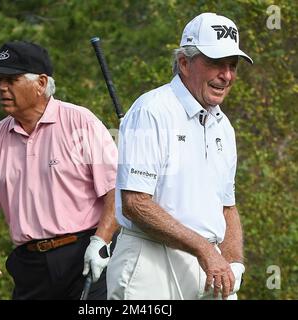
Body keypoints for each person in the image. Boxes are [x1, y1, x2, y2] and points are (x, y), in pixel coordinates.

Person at [107, 12, 253, 300]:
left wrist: (234, 263)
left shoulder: (224, 126)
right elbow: (136, 203)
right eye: (215, 63)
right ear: (184, 63)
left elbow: (227, 207)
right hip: (150, 263)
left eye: (232, 65)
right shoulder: (151, 110)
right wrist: (204, 250)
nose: (226, 75)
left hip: (208, 263)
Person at [0, 40, 119, 299]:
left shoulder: (79, 122)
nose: (1, 88)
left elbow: (115, 189)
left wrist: (101, 241)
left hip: (84, 255)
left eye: (11, 79)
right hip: (30, 266)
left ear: (40, 83)